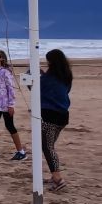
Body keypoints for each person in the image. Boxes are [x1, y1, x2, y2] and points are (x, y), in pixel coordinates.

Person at [39, 49, 73, 192]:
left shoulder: (49, 78)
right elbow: (60, 90)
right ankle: (54, 176)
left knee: (47, 147)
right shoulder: (66, 75)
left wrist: (32, 73)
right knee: (49, 145)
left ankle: (58, 178)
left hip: (50, 115)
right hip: (63, 115)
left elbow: (36, 88)